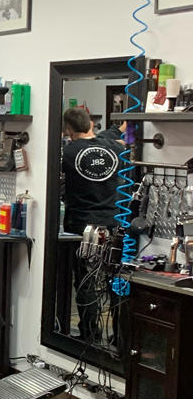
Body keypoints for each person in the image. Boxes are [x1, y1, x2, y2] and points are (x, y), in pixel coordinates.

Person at [62, 105, 125, 343]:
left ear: (68, 130)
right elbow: (108, 137)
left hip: (82, 226)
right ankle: (120, 337)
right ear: (90, 125)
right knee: (114, 280)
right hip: (113, 222)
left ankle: (90, 334)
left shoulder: (68, 152)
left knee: (86, 282)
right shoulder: (115, 149)